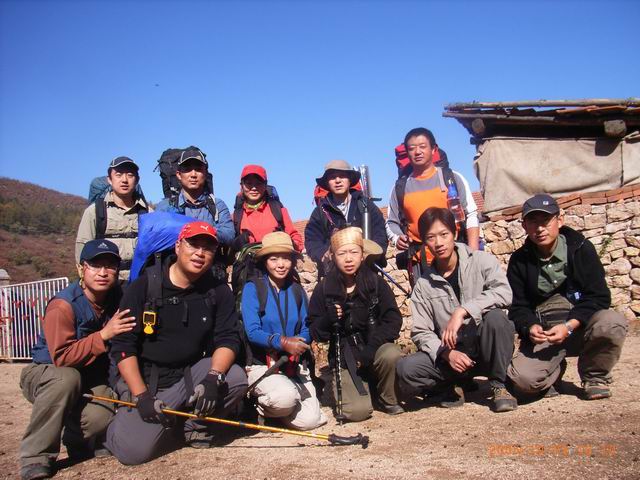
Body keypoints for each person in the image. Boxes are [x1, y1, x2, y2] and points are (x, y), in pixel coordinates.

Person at [105, 221, 248, 465]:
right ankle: (121, 427)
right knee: (133, 453)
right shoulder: (143, 287)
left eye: (208, 248)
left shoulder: (217, 291)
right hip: (149, 382)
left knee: (235, 378)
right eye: (193, 245)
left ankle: (193, 426)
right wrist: (142, 396)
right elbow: (123, 347)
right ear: (178, 246)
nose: (200, 253)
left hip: (190, 376)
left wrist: (213, 378)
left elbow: (227, 338)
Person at [19, 240, 135, 480]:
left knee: (102, 413)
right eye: (95, 265)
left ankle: (76, 440)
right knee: (66, 379)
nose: (103, 272)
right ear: (81, 268)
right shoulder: (63, 305)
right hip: (47, 372)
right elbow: (62, 357)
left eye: (110, 266)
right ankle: (36, 456)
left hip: (85, 376)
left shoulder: (118, 297)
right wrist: (103, 335)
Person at [506, 194, 628, 400]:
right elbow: (518, 307)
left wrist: (569, 326)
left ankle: (595, 377)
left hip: (579, 328)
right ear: (524, 226)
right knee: (522, 381)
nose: (540, 228)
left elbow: (599, 296)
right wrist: (530, 326)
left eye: (546, 221)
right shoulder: (519, 261)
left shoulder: (581, 249)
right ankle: (553, 372)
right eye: (533, 222)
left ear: (559, 220)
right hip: (545, 335)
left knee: (612, 322)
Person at [395, 208, 517, 412]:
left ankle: (499, 385)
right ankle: (454, 385)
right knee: (406, 368)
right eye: (431, 237)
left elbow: (504, 293)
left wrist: (463, 310)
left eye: (444, 234)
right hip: (452, 356)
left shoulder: (481, 261)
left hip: (485, 347)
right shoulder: (423, 285)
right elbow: (421, 332)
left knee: (496, 319)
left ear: (455, 232)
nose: (439, 243)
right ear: (425, 242)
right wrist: (446, 353)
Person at [307, 227, 404, 422]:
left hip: (375, 348)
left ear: (362, 255)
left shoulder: (376, 283)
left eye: (353, 252)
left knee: (391, 354)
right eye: (342, 253)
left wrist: (371, 349)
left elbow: (393, 320)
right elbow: (315, 331)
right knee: (356, 412)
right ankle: (364, 393)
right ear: (333, 256)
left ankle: (386, 397)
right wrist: (328, 320)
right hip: (345, 357)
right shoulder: (323, 289)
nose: (348, 259)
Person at [241, 231, 327, 430]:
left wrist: (299, 342)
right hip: (263, 364)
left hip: (293, 365)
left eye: (286, 258)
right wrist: (283, 342)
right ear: (264, 261)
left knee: (311, 421)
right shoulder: (253, 289)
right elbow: (252, 331)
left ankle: (280, 411)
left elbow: (307, 325)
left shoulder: (296, 290)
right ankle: (262, 406)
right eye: (274, 259)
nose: (281, 264)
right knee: (285, 397)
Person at [386, 128, 479, 280]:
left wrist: (473, 253)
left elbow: (471, 214)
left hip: (459, 256)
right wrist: (397, 238)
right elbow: (391, 222)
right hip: (421, 263)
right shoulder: (400, 188)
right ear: (407, 153)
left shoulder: (452, 178)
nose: (417, 152)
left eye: (422, 146)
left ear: (434, 149)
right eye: (412, 148)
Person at [305, 160, 388, 277]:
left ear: (350, 179)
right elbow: (312, 241)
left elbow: (380, 234)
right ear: (327, 182)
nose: (338, 180)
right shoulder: (320, 212)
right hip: (333, 274)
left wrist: (369, 255)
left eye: (342, 176)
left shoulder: (366, 205)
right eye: (332, 177)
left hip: (367, 271)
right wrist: (324, 254)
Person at [155, 147, 235, 267]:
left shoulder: (217, 205)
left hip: (210, 271)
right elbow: (156, 237)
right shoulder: (165, 207)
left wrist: (200, 230)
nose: (193, 174)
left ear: (205, 173)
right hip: (174, 271)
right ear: (179, 175)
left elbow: (229, 235)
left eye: (198, 169)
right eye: (187, 169)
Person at [76, 157, 150, 281]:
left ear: (137, 180)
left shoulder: (148, 213)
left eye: (130, 175)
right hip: (107, 282)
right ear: (109, 179)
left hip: (140, 282)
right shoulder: (95, 212)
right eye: (118, 175)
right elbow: (82, 249)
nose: (124, 180)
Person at [230, 164, 303, 253]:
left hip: (277, 260)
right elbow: (229, 251)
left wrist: (288, 242)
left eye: (258, 183)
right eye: (249, 183)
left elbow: (297, 241)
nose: (254, 188)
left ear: (265, 185)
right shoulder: (235, 217)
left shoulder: (279, 210)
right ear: (241, 186)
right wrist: (236, 244)